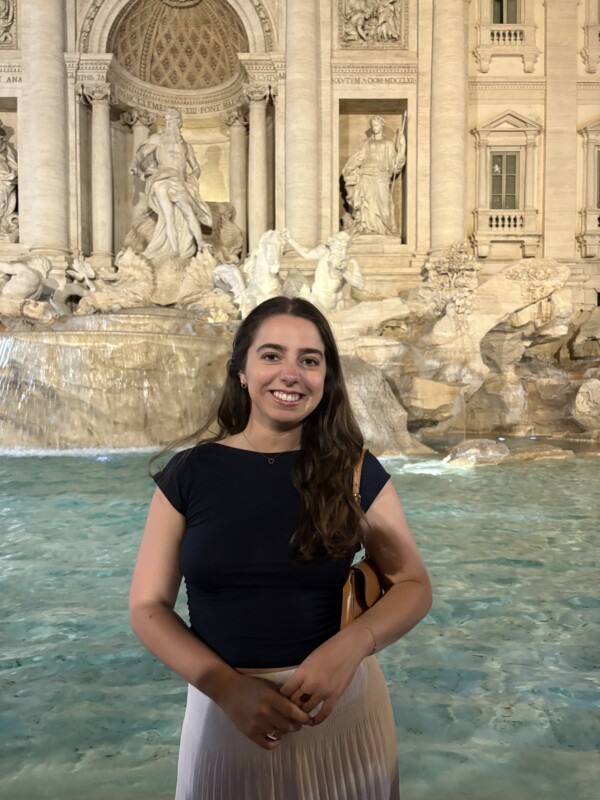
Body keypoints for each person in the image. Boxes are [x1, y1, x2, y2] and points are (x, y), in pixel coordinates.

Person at [129, 295, 432, 799]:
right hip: (224, 713)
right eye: (272, 355)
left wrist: (350, 648)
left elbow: (414, 585)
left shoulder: (354, 470)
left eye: (309, 361)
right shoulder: (188, 474)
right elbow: (147, 606)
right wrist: (224, 687)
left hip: (339, 713)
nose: (290, 373)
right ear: (242, 371)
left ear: (325, 378)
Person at [130, 108, 212, 262]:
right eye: (167, 121)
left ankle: (201, 243)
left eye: (172, 121)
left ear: (179, 123)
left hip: (179, 181)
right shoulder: (158, 138)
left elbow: (196, 167)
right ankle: (174, 249)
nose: (169, 124)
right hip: (162, 179)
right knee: (168, 215)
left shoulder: (186, 146)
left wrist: (192, 178)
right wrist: (135, 165)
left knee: (188, 211)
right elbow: (142, 153)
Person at [342, 114, 406, 236]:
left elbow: (395, 164)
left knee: (384, 202)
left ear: (382, 126)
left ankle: (384, 229)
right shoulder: (366, 143)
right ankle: (366, 228)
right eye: (373, 126)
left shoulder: (388, 144)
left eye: (376, 125)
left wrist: (402, 147)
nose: (374, 128)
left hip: (381, 176)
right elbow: (359, 158)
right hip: (365, 175)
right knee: (365, 202)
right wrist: (350, 168)